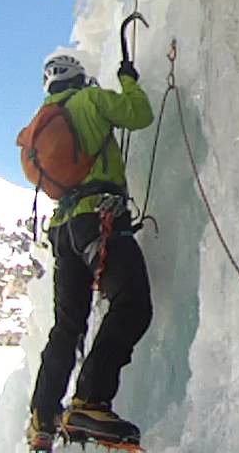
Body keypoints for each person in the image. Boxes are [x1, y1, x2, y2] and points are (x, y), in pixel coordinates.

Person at [26, 52, 154, 451]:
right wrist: (129, 80)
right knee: (132, 303)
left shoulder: (38, 126)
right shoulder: (90, 100)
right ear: (79, 77)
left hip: (63, 232)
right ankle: (90, 401)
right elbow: (138, 114)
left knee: (68, 327)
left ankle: (42, 418)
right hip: (98, 218)